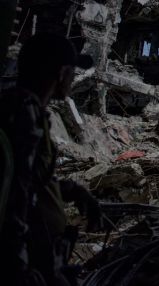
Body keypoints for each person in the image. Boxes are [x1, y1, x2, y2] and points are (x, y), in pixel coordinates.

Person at [0, 34, 104, 285]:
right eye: (72, 72)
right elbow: (17, 197)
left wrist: (74, 191)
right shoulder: (23, 117)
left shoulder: (29, 111)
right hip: (25, 265)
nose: (73, 79)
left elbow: (35, 179)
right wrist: (20, 269)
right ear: (61, 73)